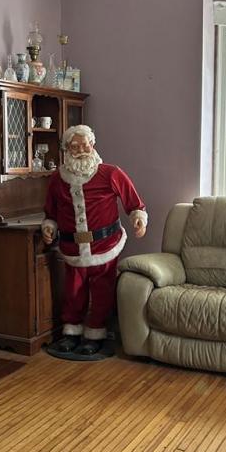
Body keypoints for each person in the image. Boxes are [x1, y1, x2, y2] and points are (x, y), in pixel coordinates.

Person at [42, 124, 147, 355]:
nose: (81, 150)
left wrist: (138, 219)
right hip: (72, 248)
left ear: (93, 145)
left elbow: (133, 202)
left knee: (102, 291)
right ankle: (71, 332)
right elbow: (51, 210)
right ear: (67, 149)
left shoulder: (110, 173)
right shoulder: (58, 179)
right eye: (74, 146)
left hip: (104, 246)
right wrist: (49, 226)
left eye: (85, 145)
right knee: (73, 291)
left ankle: (96, 333)